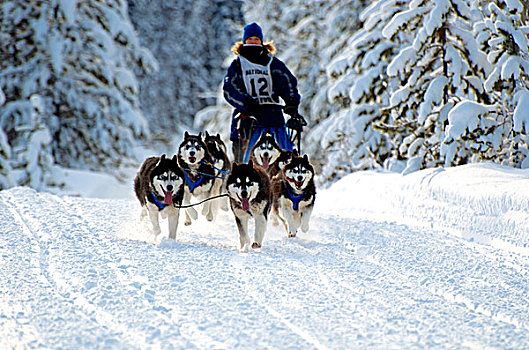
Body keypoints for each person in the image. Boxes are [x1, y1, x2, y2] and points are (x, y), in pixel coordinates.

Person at [223, 22, 301, 163]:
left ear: (262, 41)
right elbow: (229, 89)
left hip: (273, 116)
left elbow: (287, 83)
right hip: (248, 118)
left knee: (286, 157)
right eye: (250, 39)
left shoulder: (273, 63)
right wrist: (245, 102)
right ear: (244, 41)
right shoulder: (237, 65)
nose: (253, 42)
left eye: (256, 39)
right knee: (244, 162)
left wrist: (291, 102)